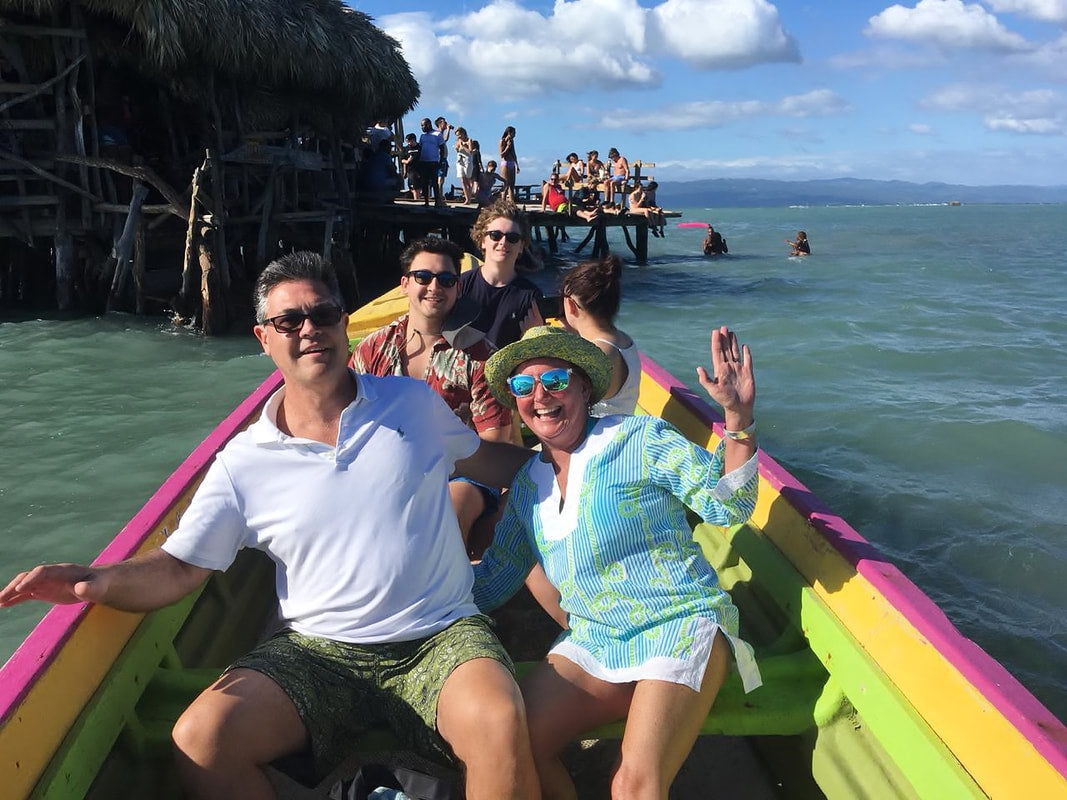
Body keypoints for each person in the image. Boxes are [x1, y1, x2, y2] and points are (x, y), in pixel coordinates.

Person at [0, 252, 540, 800]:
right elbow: (181, 566)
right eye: (289, 322)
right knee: (201, 739)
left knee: (498, 720)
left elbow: (486, 462)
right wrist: (100, 580)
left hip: (440, 633)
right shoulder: (243, 462)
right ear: (264, 338)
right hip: (318, 650)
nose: (310, 330)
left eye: (323, 315)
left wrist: (576, 461)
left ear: (344, 324)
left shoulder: (412, 404)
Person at [473, 325, 762, 799]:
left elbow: (727, 506)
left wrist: (737, 416)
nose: (541, 396)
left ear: (585, 386)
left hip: (678, 622)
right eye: (524, 387)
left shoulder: (638, 438)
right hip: (596, 637)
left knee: (633, 786)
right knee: (513, 743)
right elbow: (492, 579)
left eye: (556, 382)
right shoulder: (527, 486)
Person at [351, 237, 518, 542]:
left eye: (446, 280)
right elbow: (347, 421)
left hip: (463, 472)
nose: (434, 287)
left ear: (457, 288)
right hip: (383, 466)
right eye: (423, 278)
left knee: (448, 514)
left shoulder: (481, 356)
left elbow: (493, 440)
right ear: (405, 284)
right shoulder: (372, 349)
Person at [559, 254, 640, 416]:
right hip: (621, 431)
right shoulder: (623, 340)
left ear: (570, 305)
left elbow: (560, 401)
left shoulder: (597, 352)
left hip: (598, 437)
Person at [459, 198, 543, 349]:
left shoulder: (531, 296)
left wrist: (534, 335)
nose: (503, 242)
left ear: (522, 246)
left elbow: (531, 350)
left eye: (512, 238)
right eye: (495, 235)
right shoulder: (461, 285)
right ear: (482, 240)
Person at [416, 116, 451, 207]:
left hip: (433, 161)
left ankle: (437, 202)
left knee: (434, 182)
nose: (422, 127)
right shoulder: (422, 136)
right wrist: (418, 160)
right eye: (421, 126)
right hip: (423, 161)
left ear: (428, 125)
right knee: (424, 182)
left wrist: (441, 160)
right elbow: (420, 148)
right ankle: (426, 202)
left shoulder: (437, 134)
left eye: (423, 125)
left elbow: (442, 148)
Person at [454, 127, 475, 204]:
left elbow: (470, 152)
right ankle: (467, 198)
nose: (458, 137)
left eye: (459, 135)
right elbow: (458, 151)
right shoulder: (458, 141)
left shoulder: (469, 140)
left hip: (467, 161)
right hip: (460, 161)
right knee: (462, 180)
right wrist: (457, 148)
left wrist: (463, 146)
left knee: (468, 180)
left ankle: (469, 198)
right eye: (457, 135)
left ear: (463, 133)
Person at [499, 126, 518, 202]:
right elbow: (501, 154)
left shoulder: (512, 141)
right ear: (509, 133)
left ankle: (512, 202)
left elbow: (514, 153)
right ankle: (503, 202)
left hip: (511, 163)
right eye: (514, 133)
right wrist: (507, 147)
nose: (515, 135)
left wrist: (517, 165)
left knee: (511, 186)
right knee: (505, 185)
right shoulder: (502, 141)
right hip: (505, 163)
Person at [401, 132, 422, 200]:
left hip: (420, 170)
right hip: (411, 171)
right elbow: (402, 160)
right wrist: (407, 162)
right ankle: (417, 201)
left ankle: (420, 200)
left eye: (410, 141)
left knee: (420, 188)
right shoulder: (406, 149)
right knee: (414, 189)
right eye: (407, 142)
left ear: (414, 140)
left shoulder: (420, 147)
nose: (409, 143)